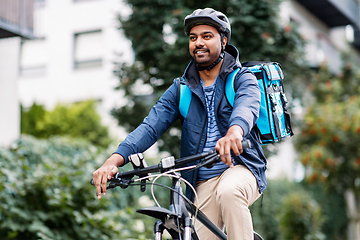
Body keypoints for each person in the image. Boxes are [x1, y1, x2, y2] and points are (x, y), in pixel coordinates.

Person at [93, 8, 267, 240]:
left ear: (223, 41)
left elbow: (247, 106)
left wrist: (235, 131)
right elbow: (150, 126)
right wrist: (113, 160)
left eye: (207, 36)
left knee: (229, 191)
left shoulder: (242, 78)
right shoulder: (181, 88)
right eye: (193, 38)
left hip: (241, 168)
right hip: (201, 179)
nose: (198, 43)